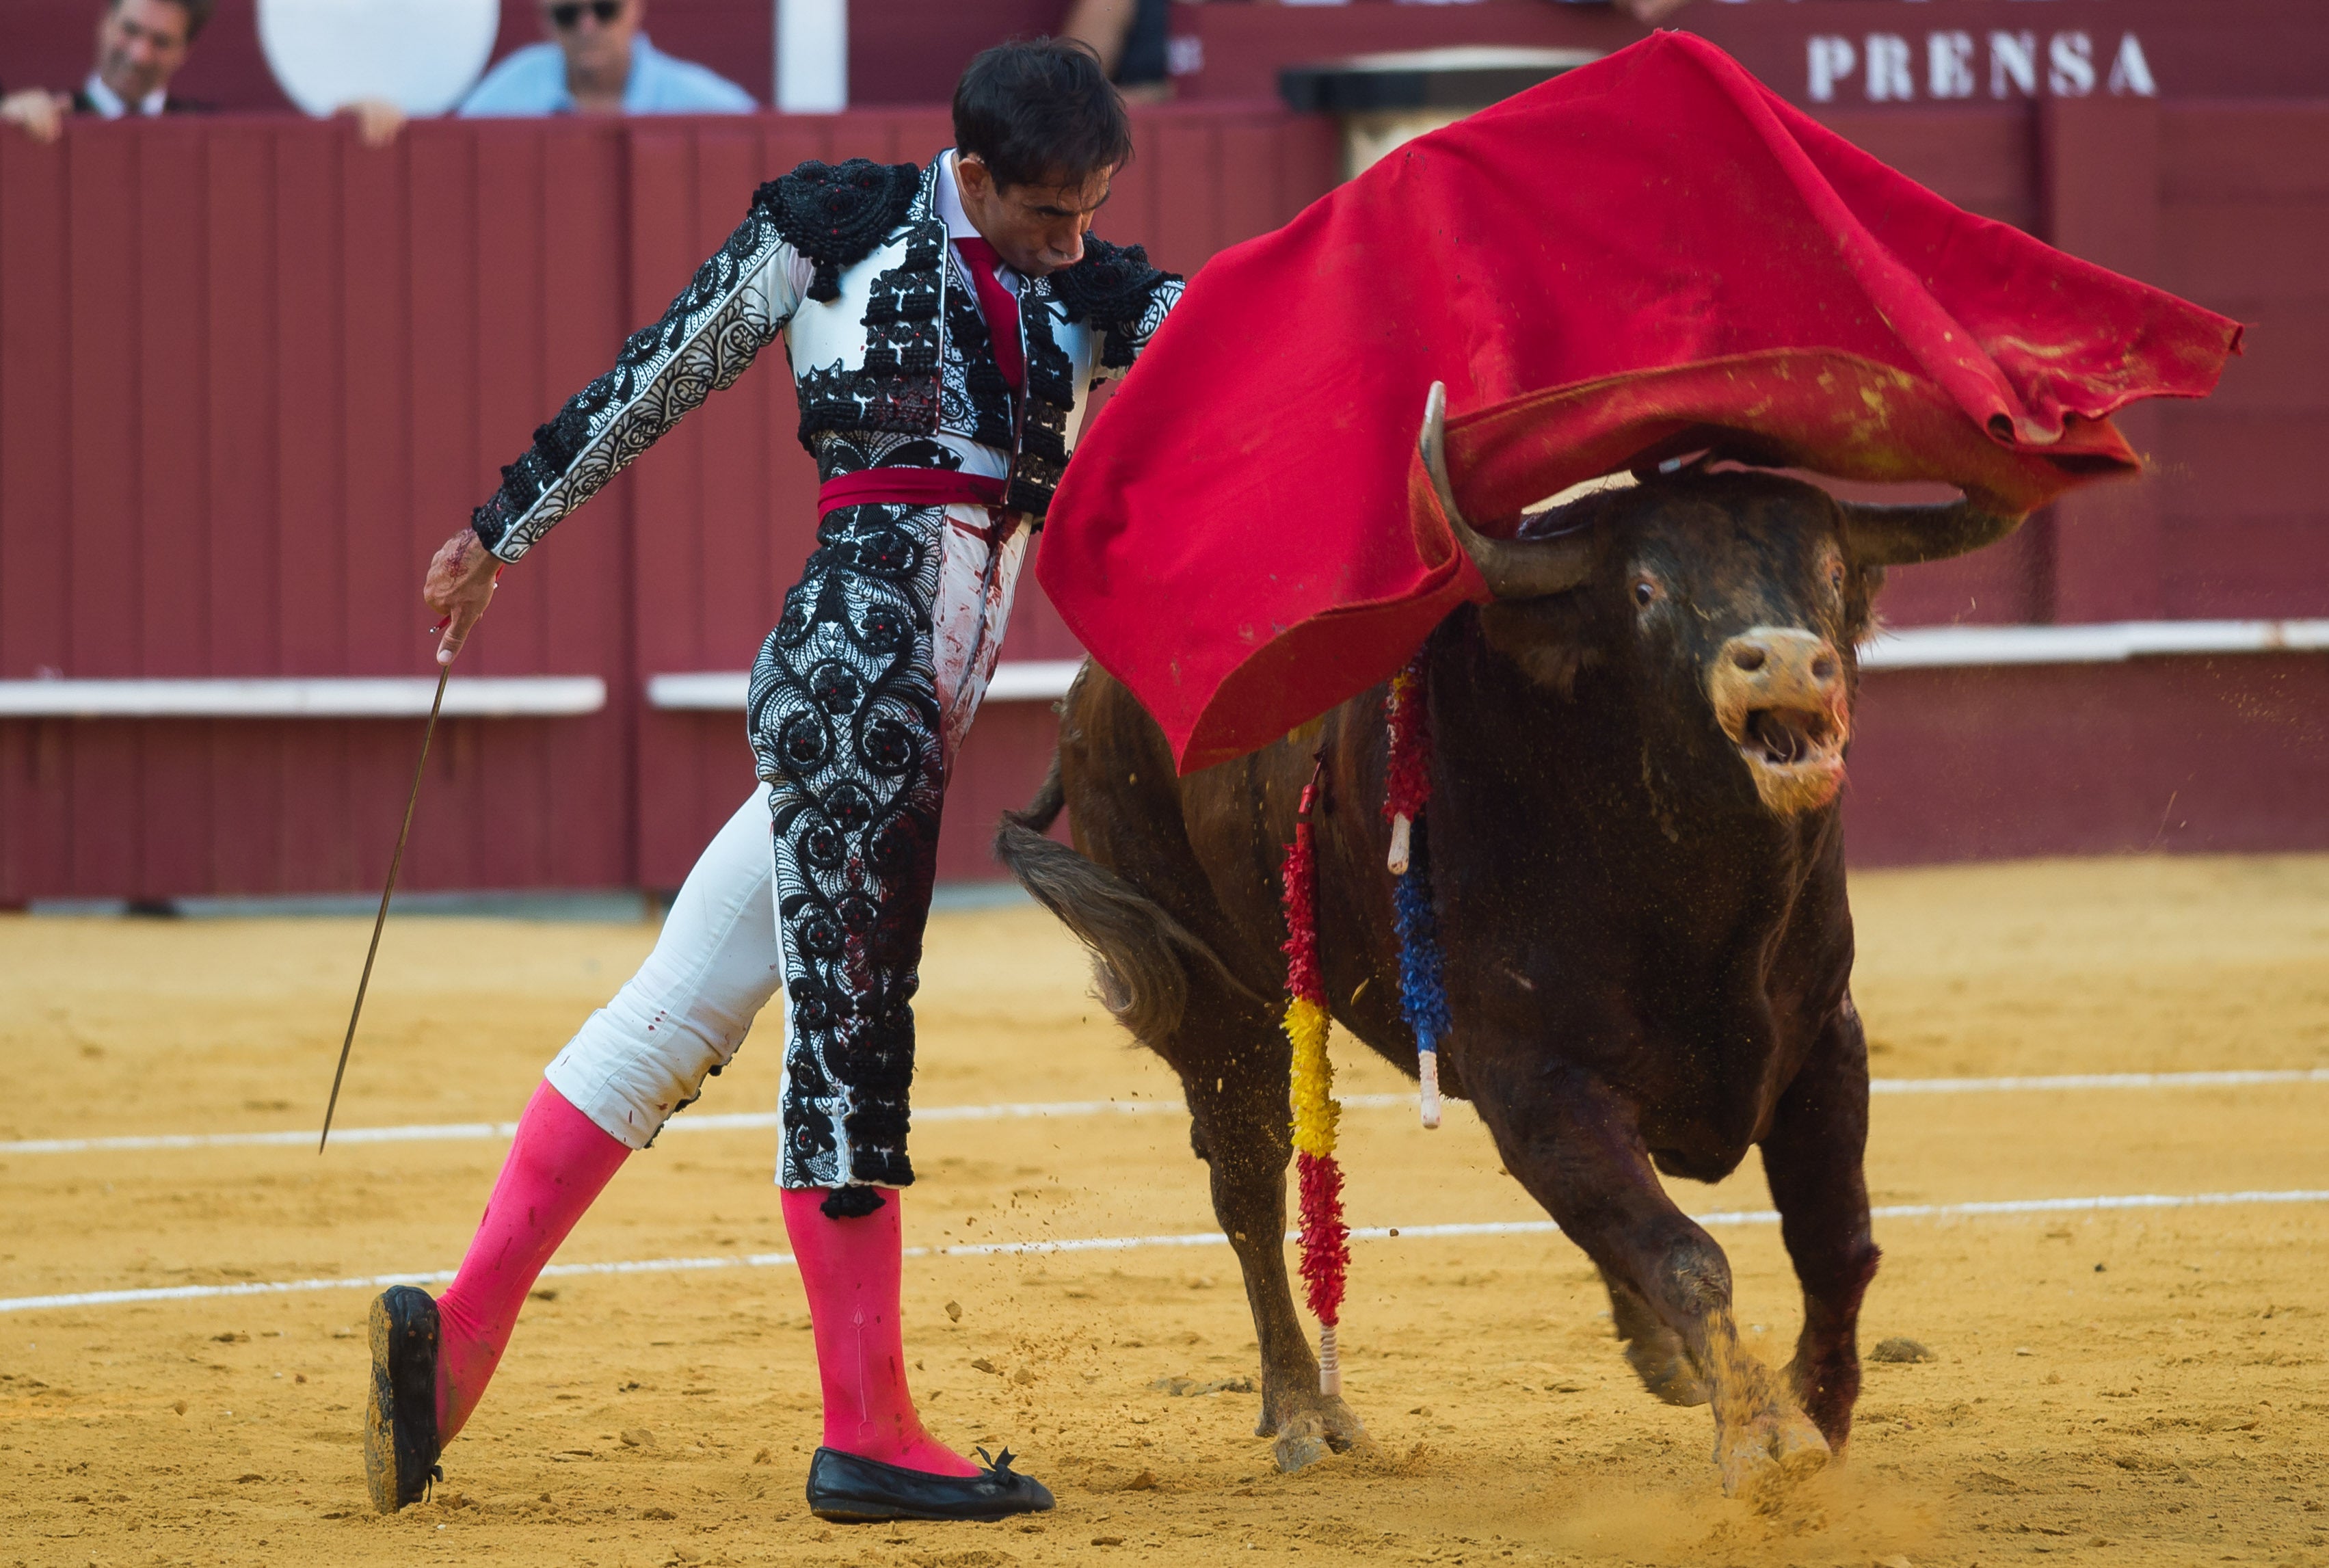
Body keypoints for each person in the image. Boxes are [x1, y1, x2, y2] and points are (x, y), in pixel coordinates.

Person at [365, 37, 1180, 1526]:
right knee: (852, 1040)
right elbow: (658, 372)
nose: (1073, 242)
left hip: (881, 708)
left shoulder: (1086, 289)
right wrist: (500, 534)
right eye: (1049, 213)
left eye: (1092, 212)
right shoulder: (839, 225)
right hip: (855, 685)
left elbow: (1233, 335)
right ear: (978, 173)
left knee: (679, 1008)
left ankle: (456, 1341)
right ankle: (864, 1427)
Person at [459, 0, 756, 117]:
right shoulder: (513, 87)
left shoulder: (702, 100)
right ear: (545, 20)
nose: (587, 27)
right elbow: (452, 154)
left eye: (605, 10)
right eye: (567, 15)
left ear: (635, 8)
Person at [0, 0, 213, 143]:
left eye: (161, 42)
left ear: (185, 51)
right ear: (105, 22)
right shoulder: (44, 115)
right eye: (130, 30)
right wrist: (9, 126)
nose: (140, 56)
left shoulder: (210, 129)